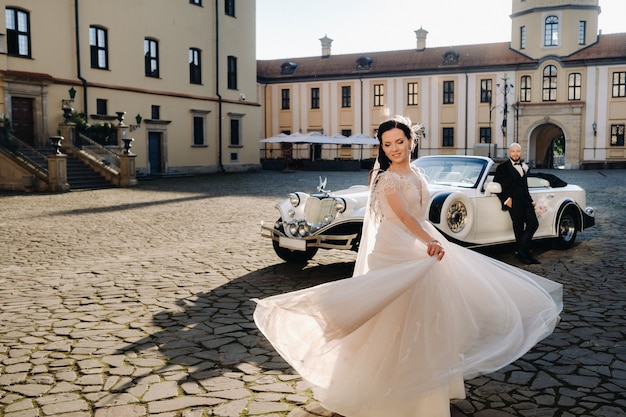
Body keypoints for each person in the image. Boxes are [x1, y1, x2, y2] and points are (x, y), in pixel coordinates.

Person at [254, 116, 562, 417]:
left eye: (399, 141)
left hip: (419, 244)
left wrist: (430, 240)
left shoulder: (418, 175)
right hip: (394, 250)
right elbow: (403, 217)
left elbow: (420, 216)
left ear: (411, 141)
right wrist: (429, 241)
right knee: (389, 322)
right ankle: (381, 391)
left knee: (426, 317)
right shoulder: (387, 178)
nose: (394, 148)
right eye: (387, 144)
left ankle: (425, 391)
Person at [493, 143, 541, 264]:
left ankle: (520, 250)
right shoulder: (502, 167)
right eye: (513, 151)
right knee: (518, 227)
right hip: (513, 201)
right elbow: (496, 186)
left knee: (533, 224)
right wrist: (505, 199)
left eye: (518, 151)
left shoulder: (524, 166)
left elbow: (525, 186)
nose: (515, 154)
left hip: (525, 201)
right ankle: (524, 254)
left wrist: (531, 200)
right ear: (509, 152)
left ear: (520, 152)